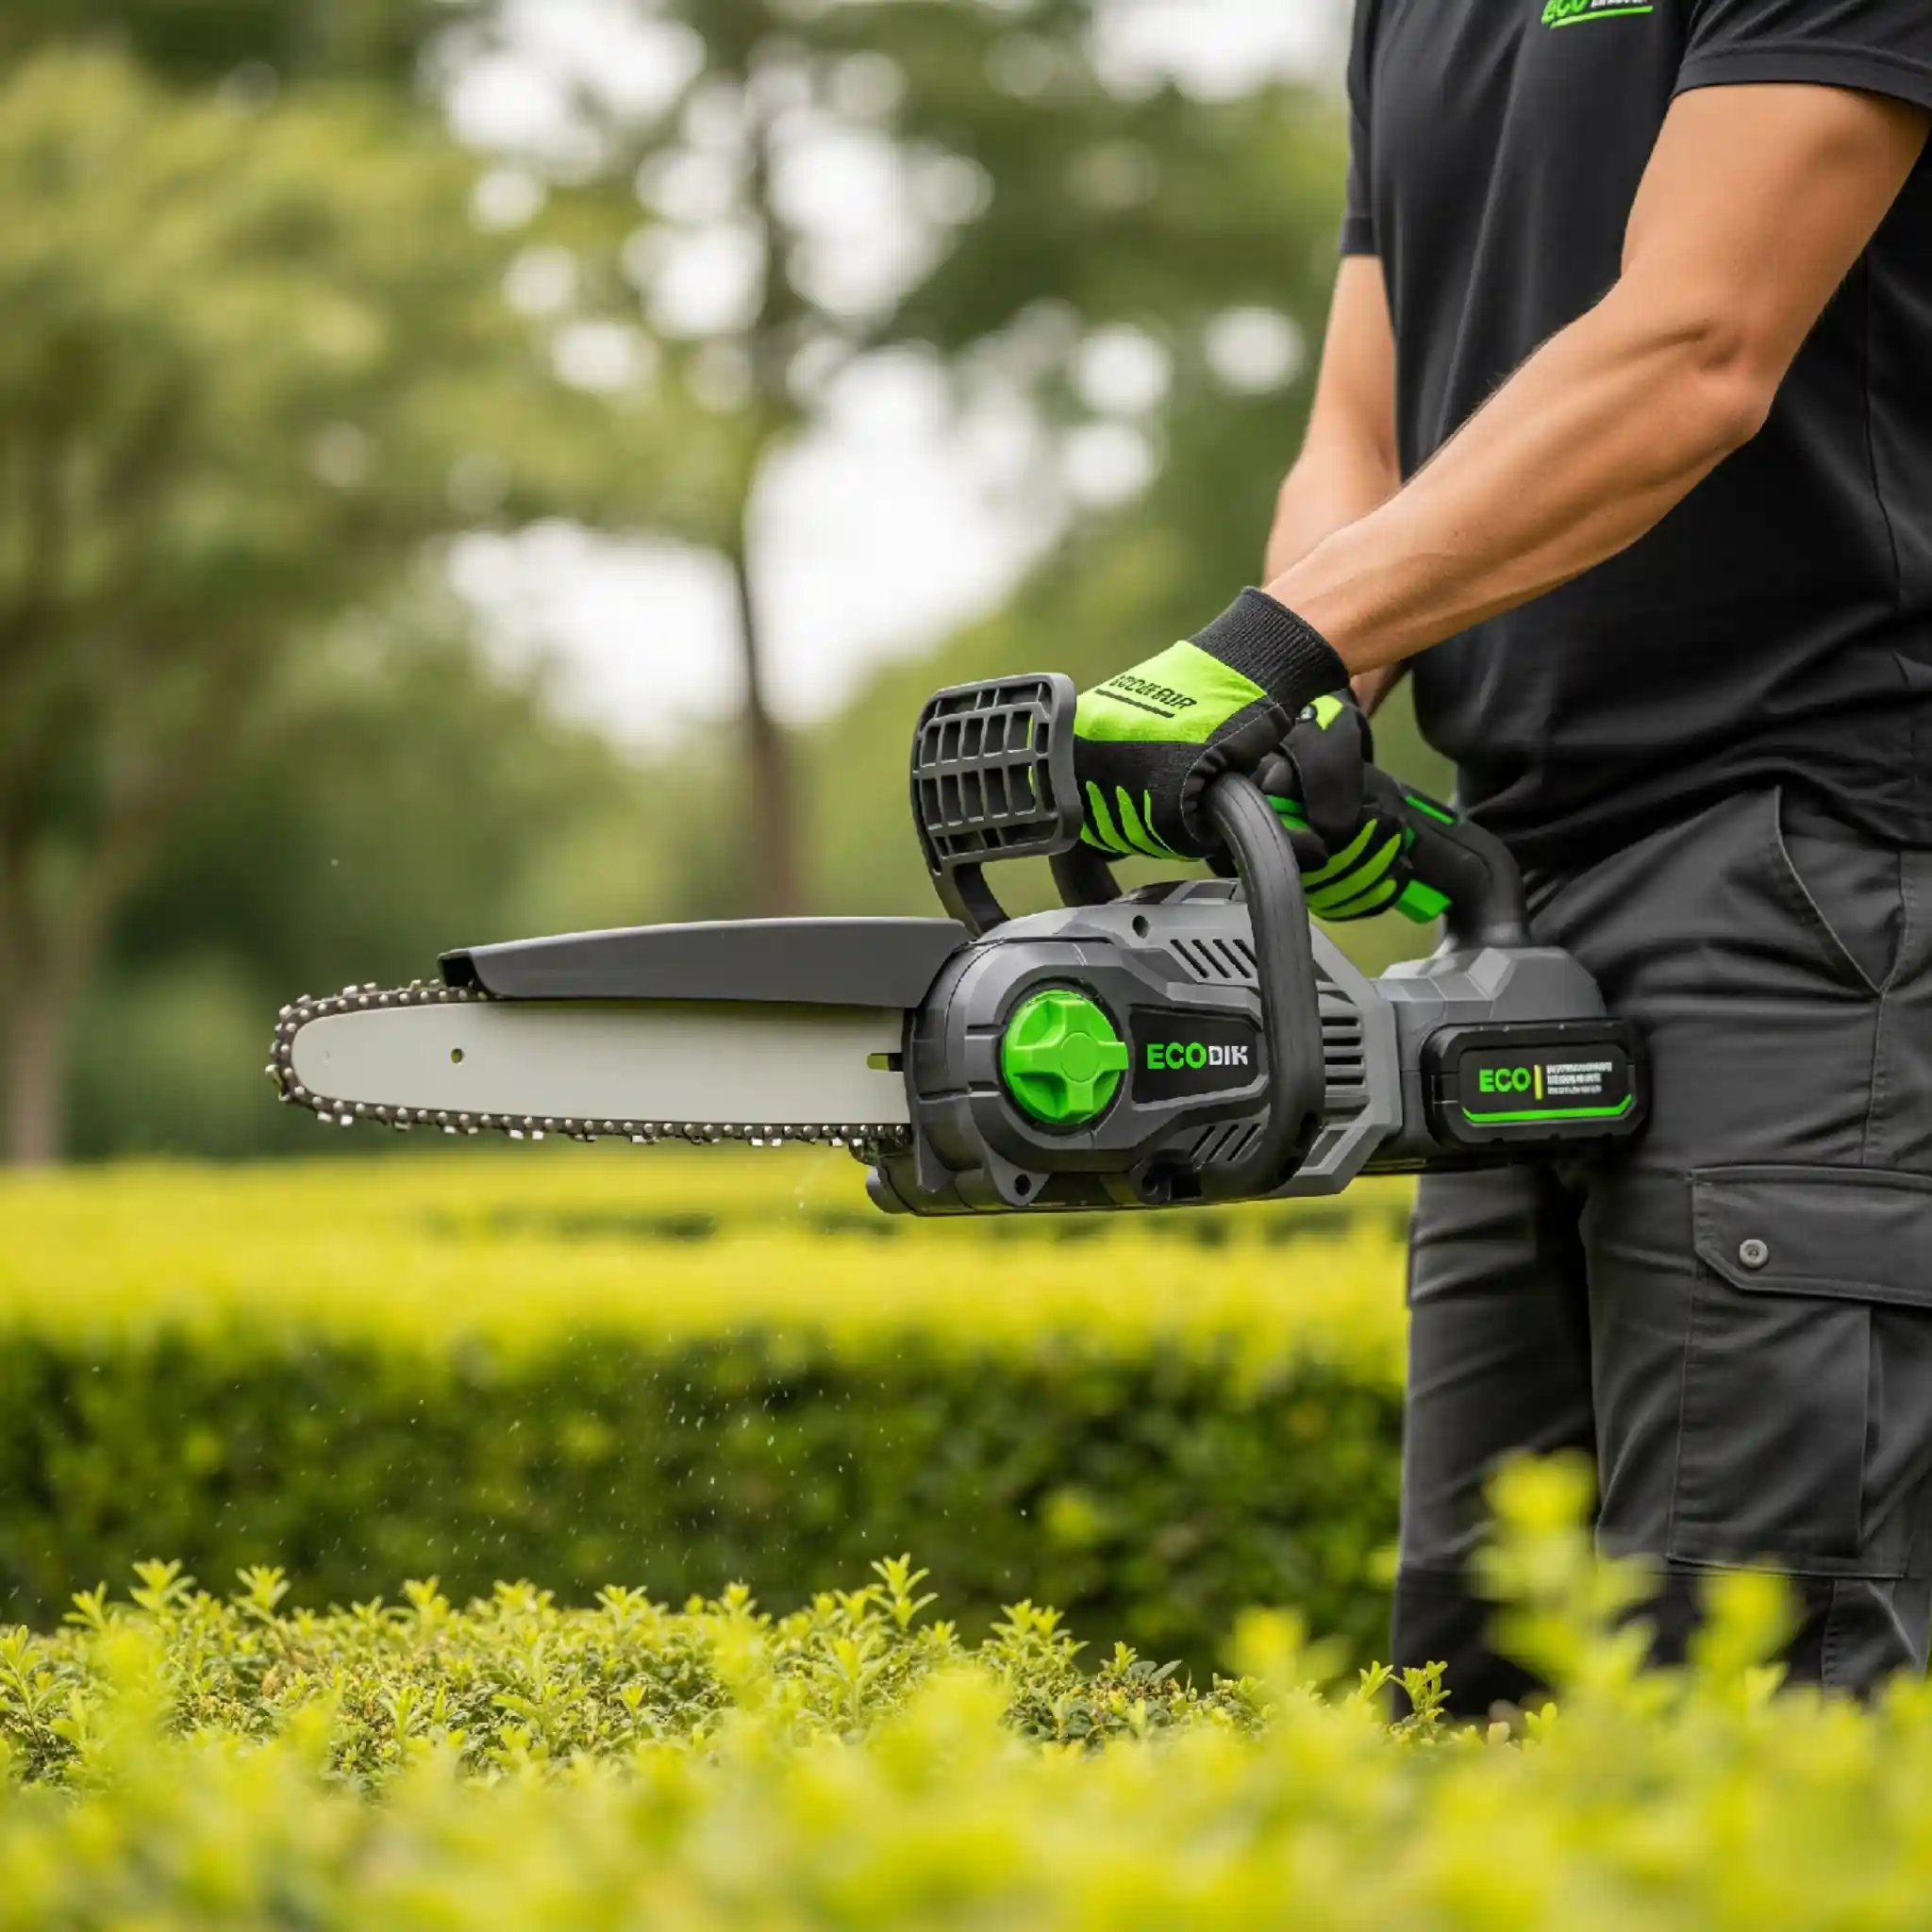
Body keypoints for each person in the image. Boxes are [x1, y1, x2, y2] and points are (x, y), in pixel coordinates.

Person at [1069, 2, 1932, 1709]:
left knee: (1760, 1680)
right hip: (1517, 896)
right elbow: (1363, 427)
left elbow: (1700, 344)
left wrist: (1276, 645)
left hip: (1804, 862)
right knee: (1484, 1675)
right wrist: (1313, 698)